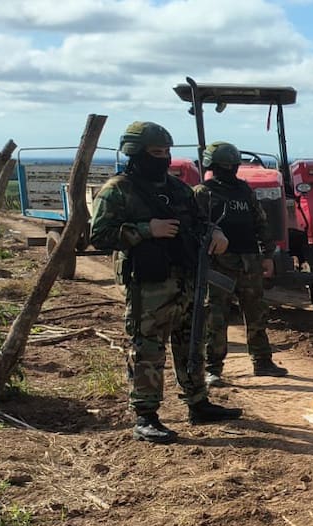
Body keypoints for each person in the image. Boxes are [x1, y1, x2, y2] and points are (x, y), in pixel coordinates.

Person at [90, 121, 242, 444]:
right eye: (156, 152)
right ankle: (145, 416)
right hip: (149, 286)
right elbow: (99, 235)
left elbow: (200, 222)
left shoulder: (178, 190)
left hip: (186, 281)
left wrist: (217, 234)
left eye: (167, 152)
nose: (164, 158)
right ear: (135, 153)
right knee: (148, 348)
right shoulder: (118, 190)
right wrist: (147, 229)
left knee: (191, 343)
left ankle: (198, 403)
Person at [193, 141, 288, 386]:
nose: (229, 169)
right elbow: (194, 227)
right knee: (216, 317)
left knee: (256, 313)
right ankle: (213, 368)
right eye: (224, 165)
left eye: (232, 165)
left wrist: (267, 255)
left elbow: (260, 224)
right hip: (218, 266)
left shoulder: (245, 191)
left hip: (250, 262)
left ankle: (263, 362)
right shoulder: (203, 193)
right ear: (213, 166)